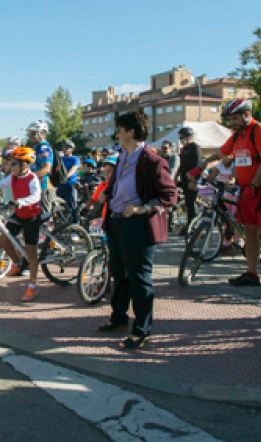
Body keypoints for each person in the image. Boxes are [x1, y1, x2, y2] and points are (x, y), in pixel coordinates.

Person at [97, 110, 177, 349]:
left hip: (138, 227)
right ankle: (119, 318)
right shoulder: (122, 156)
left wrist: (141, 209)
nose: (117, 134)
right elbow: (117, 184)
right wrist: (107, 194)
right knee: (118, 275)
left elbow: (169, 196)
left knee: (140, 279)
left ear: (131, 132)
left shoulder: (152, 161)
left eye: (119, 130)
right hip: (117, 223)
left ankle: (142, 330)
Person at [202, 98, 261, 297]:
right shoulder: (237, 135)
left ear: (247, 114)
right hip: (247, 189)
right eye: (230, 119)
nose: (232, 122)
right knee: (250, 232)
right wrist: (202, 164)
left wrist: (254, 184)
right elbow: (221, 153)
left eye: (235, 118)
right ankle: (252, 273)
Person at [0, 147, 44, 302]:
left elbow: (36, 196)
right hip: (18, 214)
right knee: (3, 240)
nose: (11, 167)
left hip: (31, 217)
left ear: (24, 165)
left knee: (31, 253)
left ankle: (33, 286)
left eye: (14, 164)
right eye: (11, 163)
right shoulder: (13, 178)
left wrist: (21, 202)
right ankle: (18, 263)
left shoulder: (32, 178)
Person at [25, 120, 55, 213]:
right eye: (30, 134)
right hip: (36, 186)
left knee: (44, 217)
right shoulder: (36, 148)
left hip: (44, 187)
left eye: (33, 133)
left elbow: (46, 169)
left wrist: (28, 177)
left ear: (42, 133)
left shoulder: (43, 148)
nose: (31, 136)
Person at [177, 127, 200, 231]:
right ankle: (189, 224)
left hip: (192, 180)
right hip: (185, 179)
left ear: (189, 137)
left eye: (182, 137)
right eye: (180, 138)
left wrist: (193, 180)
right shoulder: (185, 149)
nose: (181, 140)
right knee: (187, 203)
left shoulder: (195, 148)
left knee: (192, 203)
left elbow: (197, 165)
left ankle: (193, 226)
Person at [56, 140, 80, 223]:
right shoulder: (60, 159)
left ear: (72, 149)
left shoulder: (75, 159)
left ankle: (76, 226)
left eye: (67, 147)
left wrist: (66, 176)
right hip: (60, 186)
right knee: (58, 207)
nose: (65, 149)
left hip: (70, 184)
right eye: (63, 147)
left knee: (72, 207)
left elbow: (74, 168)